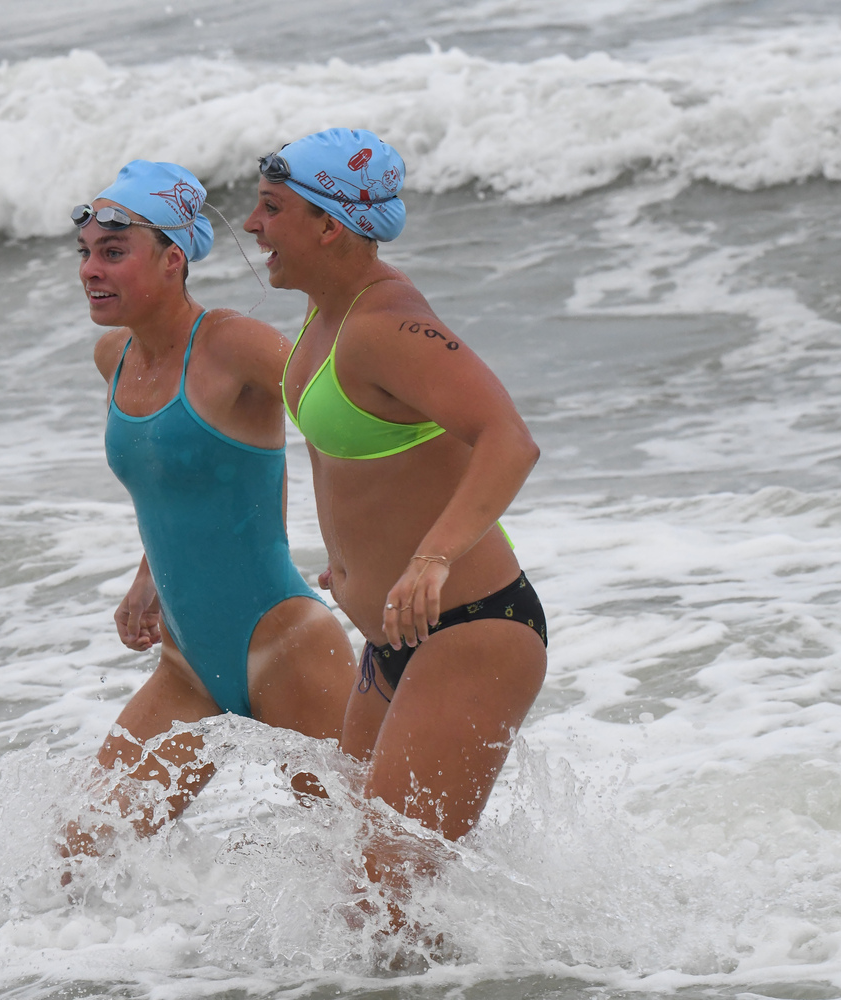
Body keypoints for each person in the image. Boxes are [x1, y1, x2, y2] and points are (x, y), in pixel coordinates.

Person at [242, 130, 547, 885]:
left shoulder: (384, 326)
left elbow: (508, 440)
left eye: (270, 209)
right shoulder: (328, 313)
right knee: (365, 890)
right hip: (394, 644)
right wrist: (354, 560)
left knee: (380, 899)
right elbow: (369, 462)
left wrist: (430, 557)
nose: (251, 227)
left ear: (329, 225)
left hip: (473, 631)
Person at [62, 161, 355, 852]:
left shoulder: (232, 345)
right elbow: (181, 477)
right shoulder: (115, 357)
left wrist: (352, 552)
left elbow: (339, 425)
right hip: (188, 662)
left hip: (285, 648)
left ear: (171, 260)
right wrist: (147, 575)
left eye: (112, 252)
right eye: (84, 255)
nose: (89, 271)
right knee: (81, 853)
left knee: (374, 871)